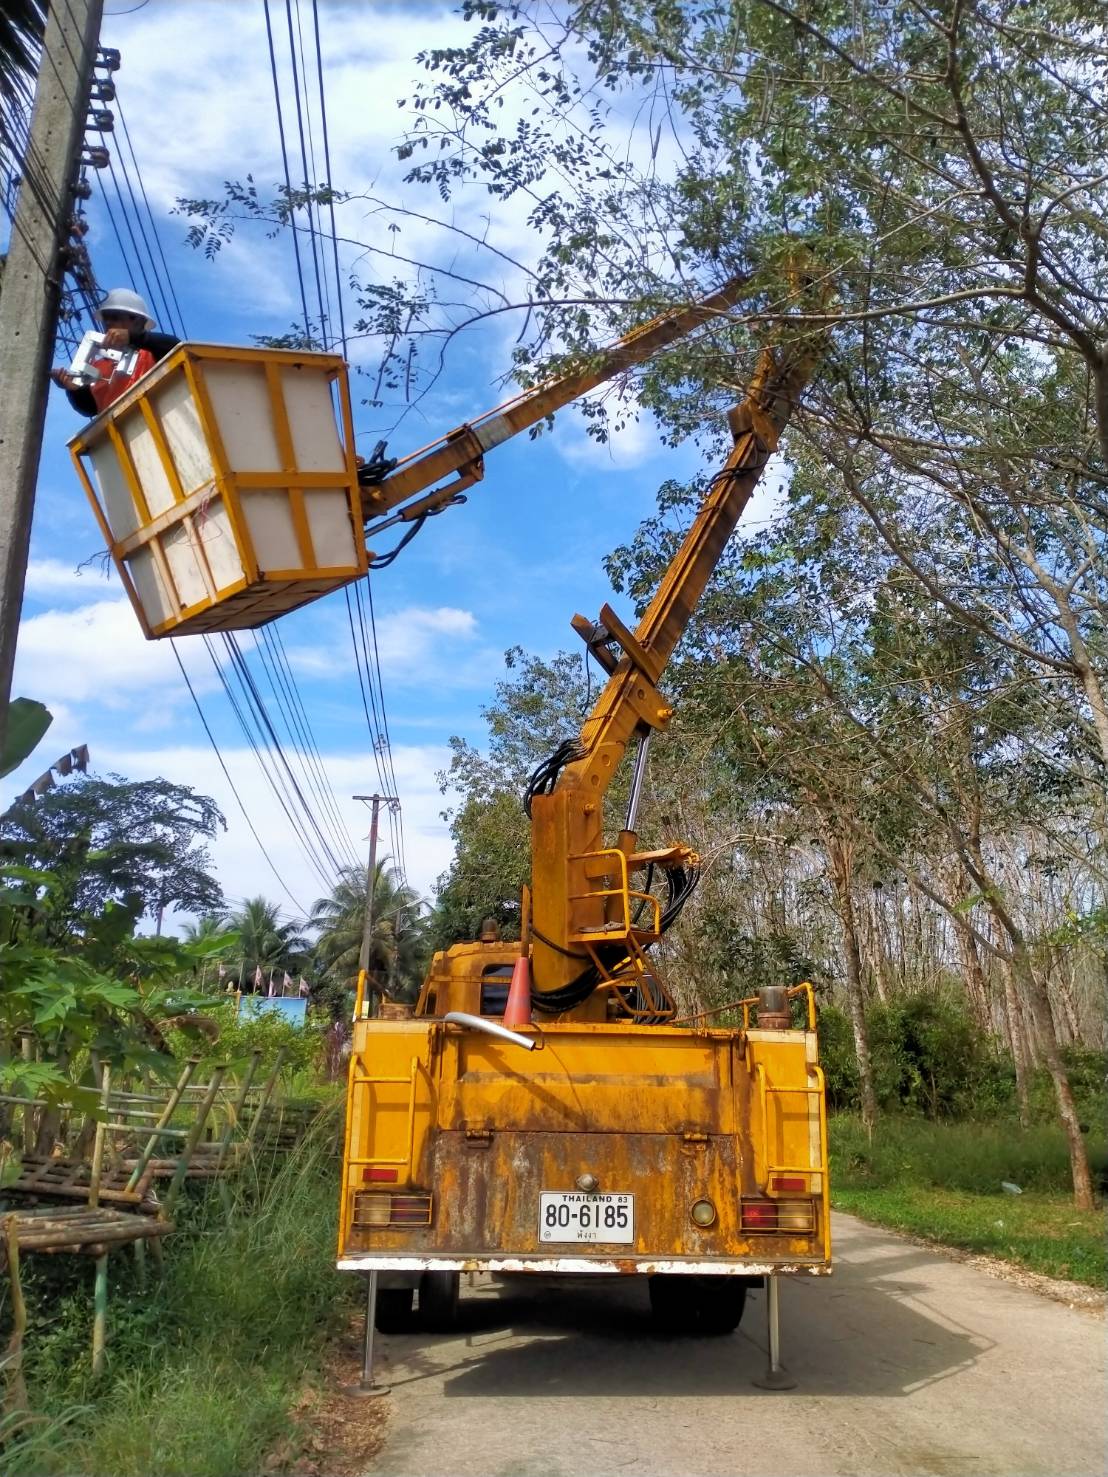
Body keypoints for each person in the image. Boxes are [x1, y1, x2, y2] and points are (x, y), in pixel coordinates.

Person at [51, 288, 180, 416]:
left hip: (159, 417)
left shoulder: (152, 352)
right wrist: (74, 390)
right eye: (106, 318)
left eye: (115, 317)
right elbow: (90, 408)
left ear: (139, 321)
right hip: (123, 429)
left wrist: (132, 337)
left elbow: (175, 346)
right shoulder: (98, 366)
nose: (108, 322)